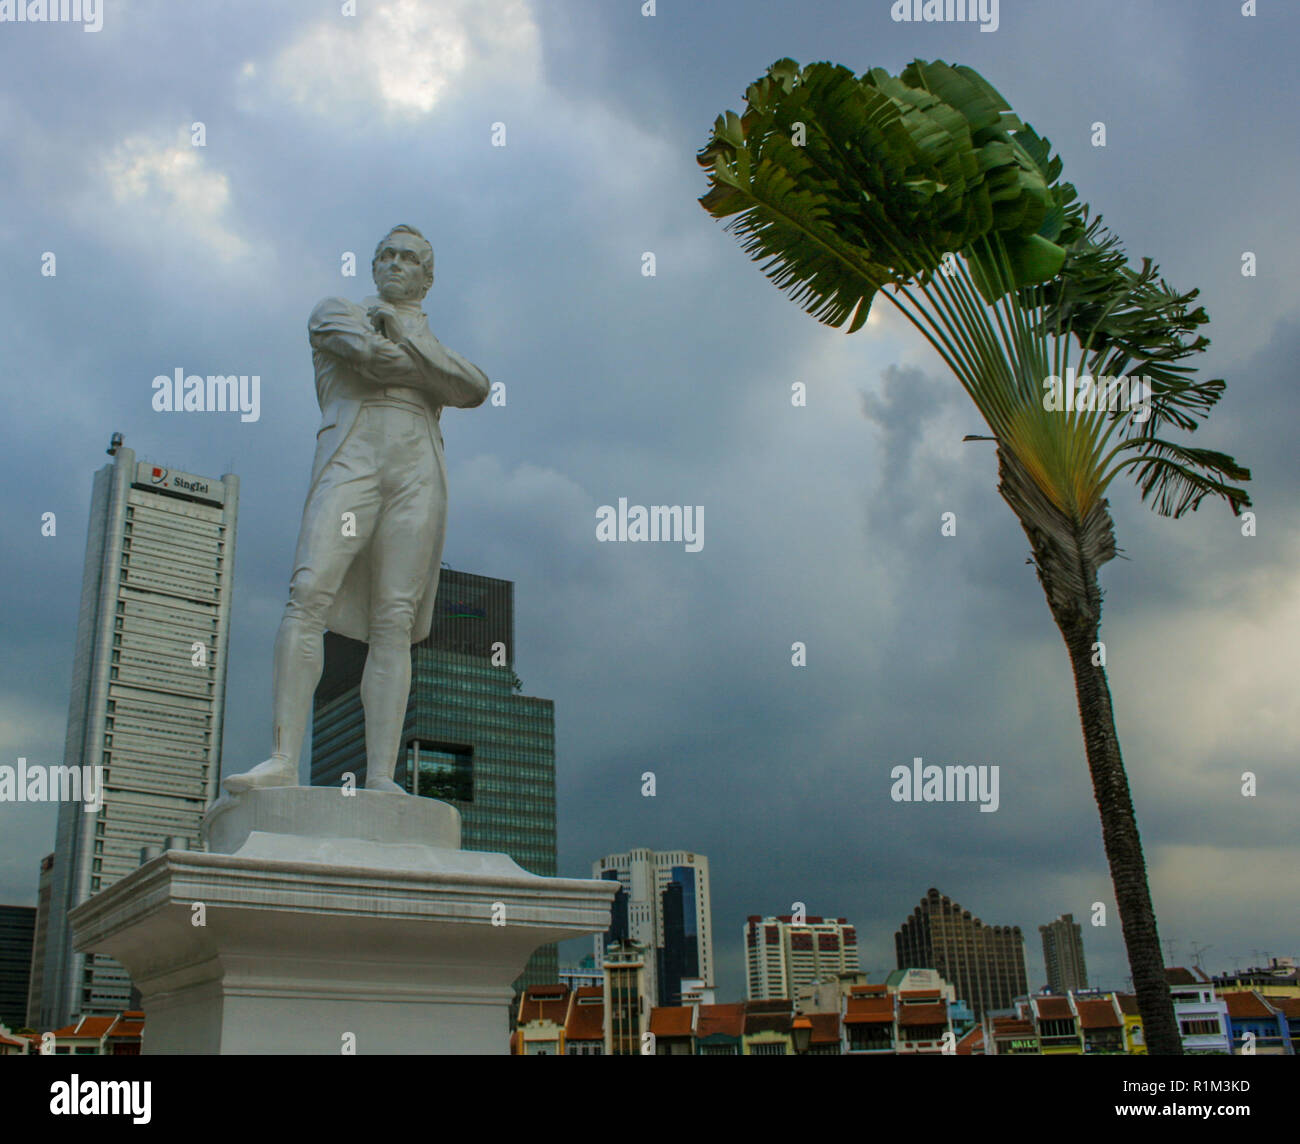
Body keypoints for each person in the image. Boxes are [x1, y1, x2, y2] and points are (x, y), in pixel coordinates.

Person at [223, 224, 489, 796]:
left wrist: (414, 344)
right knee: (309, 592)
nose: (395, 264)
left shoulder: (430, 342)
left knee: (394, 617)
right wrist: (426, 369)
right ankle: (282, 760)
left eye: (409, 258)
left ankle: (380, 778)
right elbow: (372, 360)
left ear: (428, 277)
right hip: (353, 456)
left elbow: (474, 388)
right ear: (372, 267)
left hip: (417, 469)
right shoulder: (335, 309)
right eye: (385, 256)